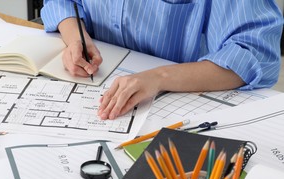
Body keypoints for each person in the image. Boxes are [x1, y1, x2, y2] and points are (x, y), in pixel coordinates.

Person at [41, 1, 283, 120]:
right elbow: (62, 2)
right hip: (94, 86)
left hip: (177, 103)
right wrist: (75, 37)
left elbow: (255, 54)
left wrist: (159, 78)